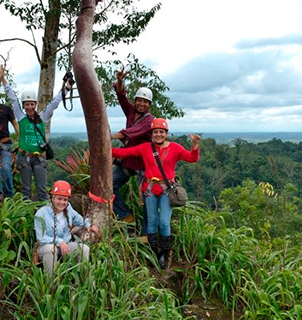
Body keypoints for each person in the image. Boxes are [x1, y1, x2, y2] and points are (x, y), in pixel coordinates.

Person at [112, 118, 201, 269]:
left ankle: (164, 253)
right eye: (155, 132)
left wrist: (195, 144)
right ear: (152, 134)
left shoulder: (175, 148)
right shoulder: (145, 148)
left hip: (167, 190)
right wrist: (104, 148)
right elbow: (125, 153)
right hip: (150, 189)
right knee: (152, 220)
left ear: (166, 134)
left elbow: (192, 158)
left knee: (164, 221)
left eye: (161, 132)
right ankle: (153, 251)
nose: (158, 134)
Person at [0, 65, 72, 201]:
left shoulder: (42, 117)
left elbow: (55, 103)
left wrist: (66, 88)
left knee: (42, 189)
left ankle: (44, 218)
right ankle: (27, 217)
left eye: (32, 104)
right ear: (24, 106)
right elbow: (13, 99)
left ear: (35, 104)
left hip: (39, 158)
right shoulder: (20, 117)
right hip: (24, 157)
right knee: (26, 189)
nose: (30, 107)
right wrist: (3, 80)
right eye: (27, 104)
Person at [111, 68, 154, 239]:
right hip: (128, 162)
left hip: (144, 166)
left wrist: (107, 136)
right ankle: (125, 216)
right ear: (135, 101)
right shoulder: (131, 112)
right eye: (139, 100)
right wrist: (120, 81)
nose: (142, 104)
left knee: (145, 199)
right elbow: (122, 97)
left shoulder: (149, 121)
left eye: (145, 102)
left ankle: (145, 234)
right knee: (109, 185)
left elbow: (131, 133)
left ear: (149, 104)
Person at [34, 180, 99, 274]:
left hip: (65, 247)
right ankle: (51, 283)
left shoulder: (68, 209)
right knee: (51, 250)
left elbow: (81, 220)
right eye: (59, 199)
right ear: (52, 198)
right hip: (46, 248)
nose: (62, 202)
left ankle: (80, 282)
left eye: (65, 200)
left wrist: (89, 225)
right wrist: (59, 241)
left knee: (84, 249)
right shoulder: (41, 213)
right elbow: (41, 238)